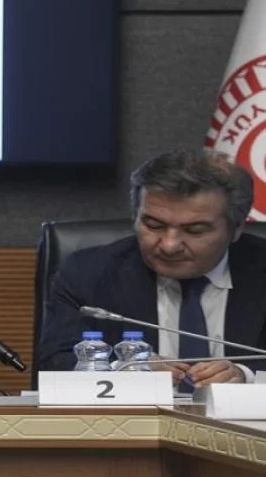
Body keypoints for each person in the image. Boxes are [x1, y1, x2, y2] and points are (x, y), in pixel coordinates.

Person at [38, 149, 266, 387]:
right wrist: (125, 369)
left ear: (237, 228)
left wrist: (245, 375)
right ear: (135, 217)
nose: (169, 245)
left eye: (195, 230)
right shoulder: (88, 273)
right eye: (154, 225)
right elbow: (55, 363)